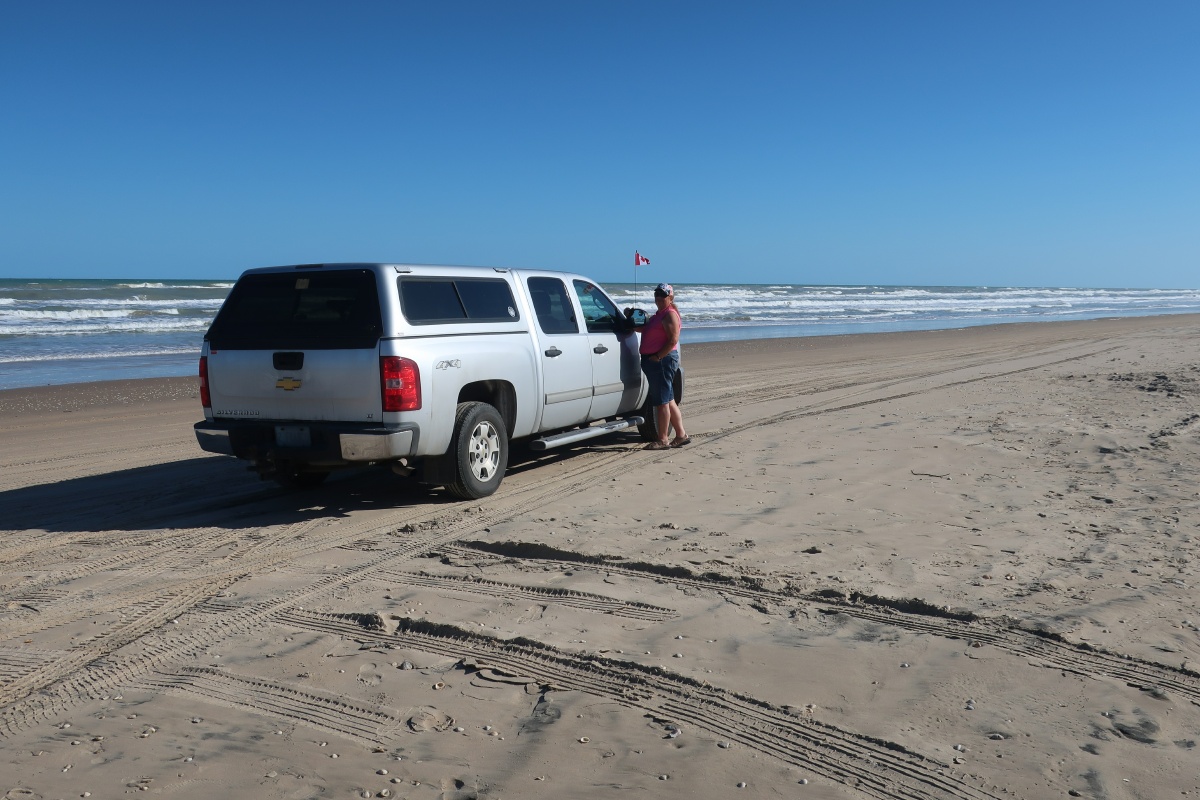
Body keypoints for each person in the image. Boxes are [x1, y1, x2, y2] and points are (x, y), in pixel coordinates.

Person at [634, 282, 690, 450]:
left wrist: (658, 356)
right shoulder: (659, 314)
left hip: (663, 361)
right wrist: (627, 319)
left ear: (670, 297)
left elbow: (673, 339)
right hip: (656, 361)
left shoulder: (670, 314)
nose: (658, 297)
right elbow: (645, 330)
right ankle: (681, 435)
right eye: (656, 294)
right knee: (669, 399)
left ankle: (663, 439)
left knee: (661, 401)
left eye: (662, 295)